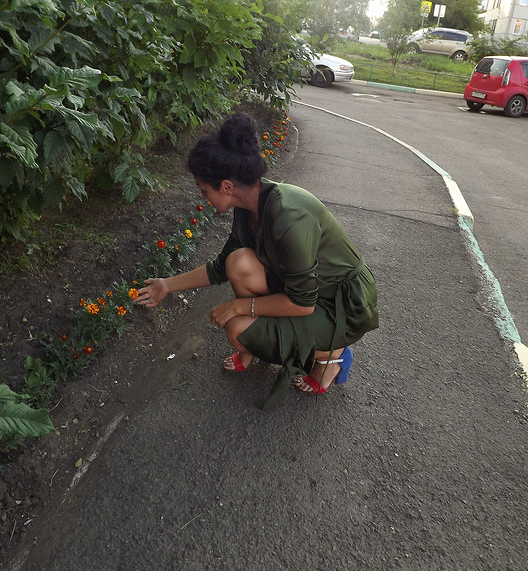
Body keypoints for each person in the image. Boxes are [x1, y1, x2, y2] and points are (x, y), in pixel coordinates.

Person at [135, 113, 379, 408]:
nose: (204, 198)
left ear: (226, 186)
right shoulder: (249, 204)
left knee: (237, 329)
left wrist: (238, 306)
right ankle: (263, 344)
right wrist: (166, 285)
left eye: (204, 191)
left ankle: (332, 354)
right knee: (238, 263)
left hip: (340, 305)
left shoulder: (287, 215)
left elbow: (303, 303)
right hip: (306, 290)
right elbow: (222, 265)